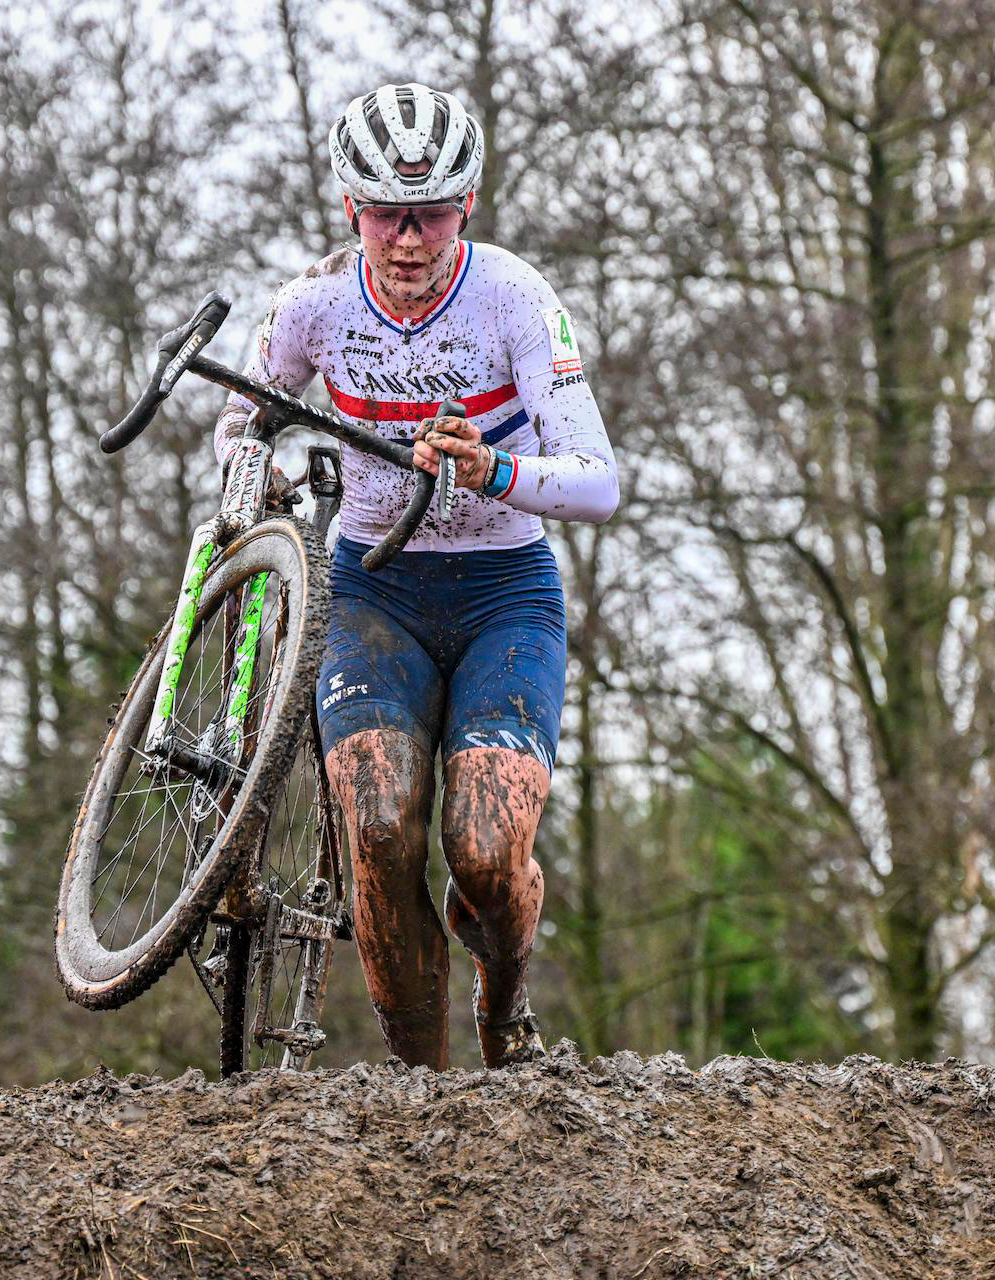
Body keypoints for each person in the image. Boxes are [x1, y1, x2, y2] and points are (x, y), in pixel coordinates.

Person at [213, 82, 617, 1069]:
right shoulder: (308, 306)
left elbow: (599, 480)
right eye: (387, 214)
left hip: (503, 591)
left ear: (465, 206)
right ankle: (420, 1092)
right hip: (373, 591)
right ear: (350, 206)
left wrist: (499, 469)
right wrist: (253, 467)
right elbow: (234, 430)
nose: (407, 239)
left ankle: (505, 1004)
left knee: (484, 848)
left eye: (431, 213)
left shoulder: (518, 299)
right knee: (382, 827)